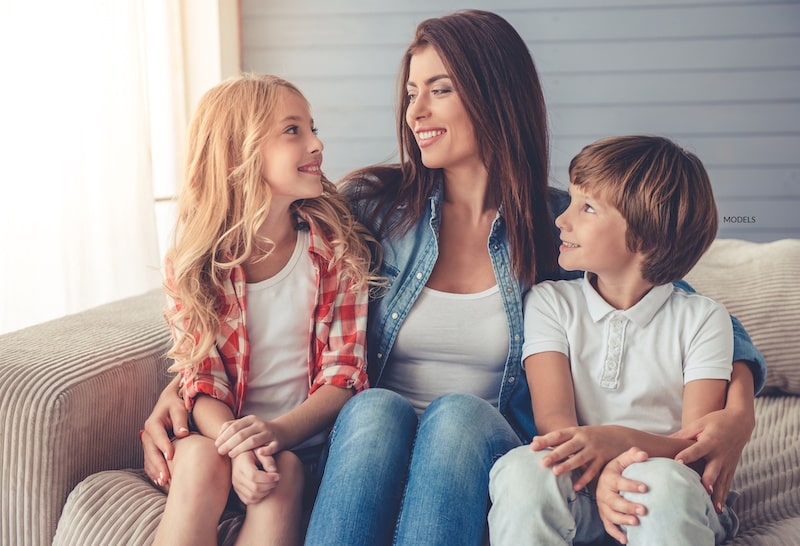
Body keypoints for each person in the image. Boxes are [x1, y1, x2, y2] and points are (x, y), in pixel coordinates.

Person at [141, 11, 765, 544]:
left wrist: (737, 412)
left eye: (438, 89)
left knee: (458, 416)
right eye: (411, 91)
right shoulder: (369, 209)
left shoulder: (558, 223)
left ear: (493, 93)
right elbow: (244, 258)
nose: (415, 110)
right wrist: (183, 388)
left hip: (478, 450)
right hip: (367, 454)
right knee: (375, 408)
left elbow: (671, 298)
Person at [149, 73, 378, 546]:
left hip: (299, 445)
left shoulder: (336, 252)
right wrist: (237, 447)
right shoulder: (195, 265)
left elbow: (344, 377)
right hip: (222, 441)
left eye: (312, 127)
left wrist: (272, 435)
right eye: (293, 130)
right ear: (239, 153)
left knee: (284, 474)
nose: (317, 143)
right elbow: (202, 380)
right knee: (195, 458)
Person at [487, 135, 744, 545]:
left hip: (667, 496)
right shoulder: (550, 303)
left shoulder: (703, 318)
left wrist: (621, 448)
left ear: (647, 236)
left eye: (587, 208)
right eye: (571, 201)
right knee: (526, 469)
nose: (562, 220)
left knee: (661, 481)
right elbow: (555, 423)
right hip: (580, 490)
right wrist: (601, 469)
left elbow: (693, 448)